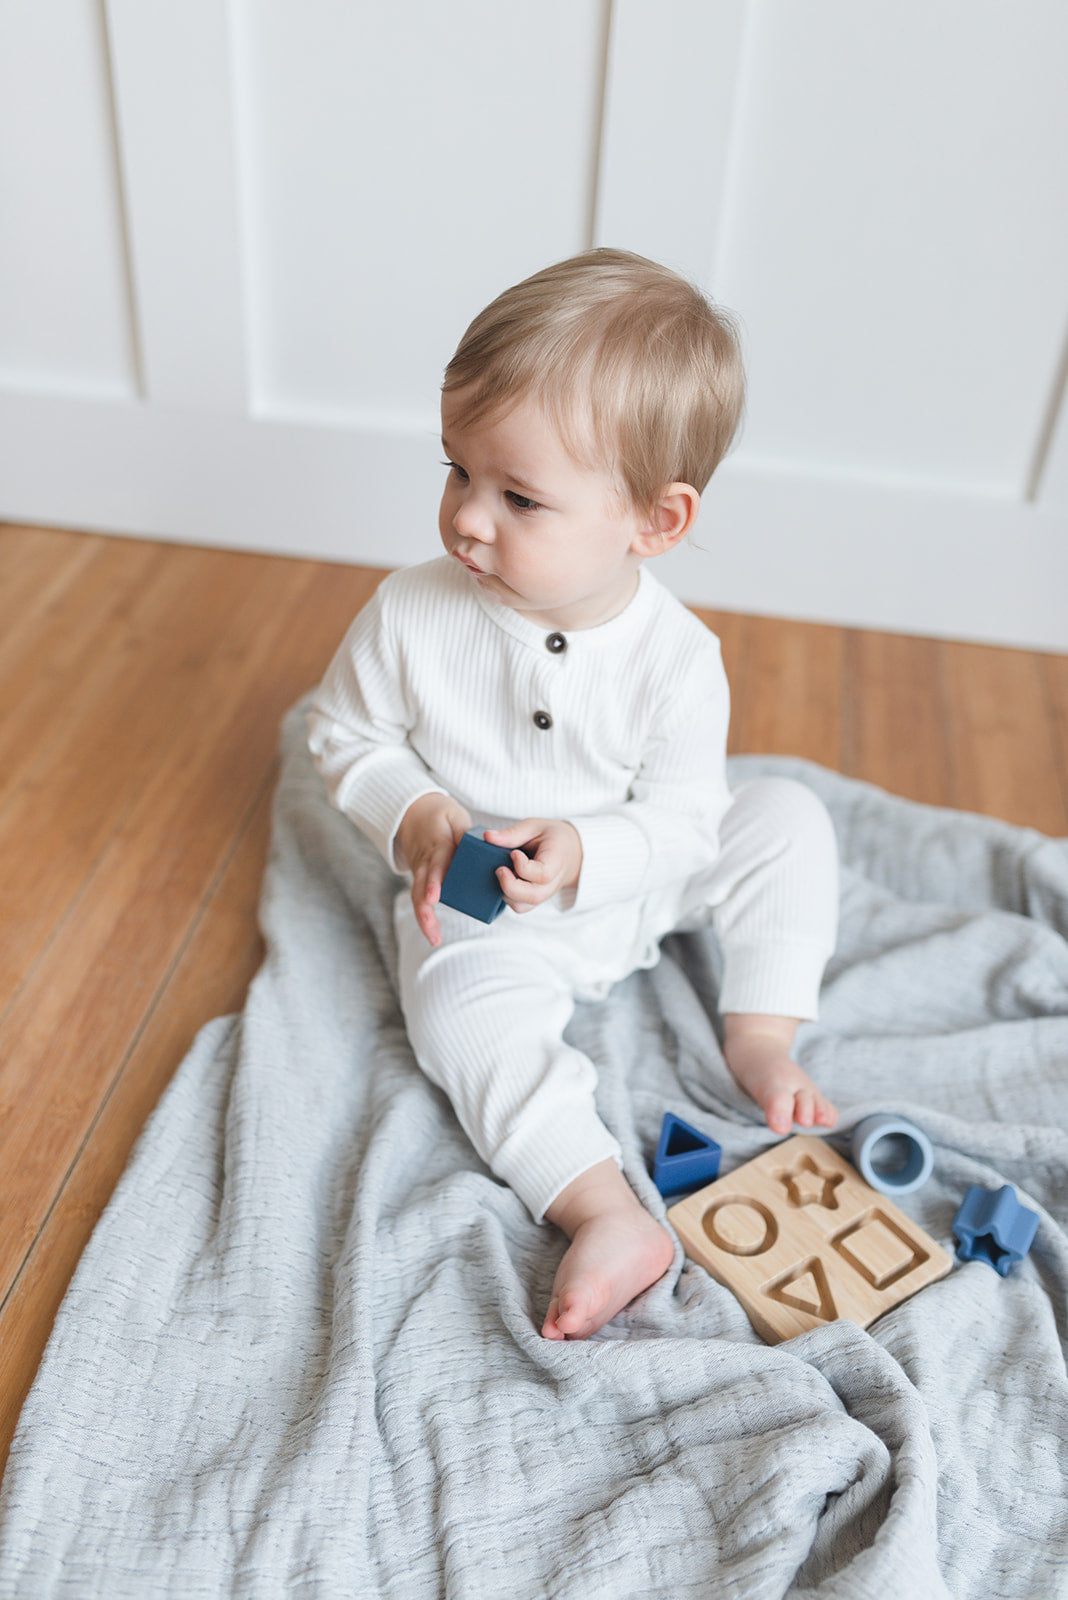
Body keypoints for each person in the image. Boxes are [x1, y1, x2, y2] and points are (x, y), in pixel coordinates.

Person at [307, 248, 839, 1342]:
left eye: (520, 497)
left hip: (641, 874)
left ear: (655, 520)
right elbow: (344, 733)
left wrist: (592, 851)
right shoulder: (414, 613)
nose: (467, 518)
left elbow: (690, 821)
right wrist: (415, 814)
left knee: (785, 818)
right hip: (491, 908)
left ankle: (763, 1034)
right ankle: (601, 1206)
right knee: (451, 1009)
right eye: (457, 471)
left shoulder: (679, 659)